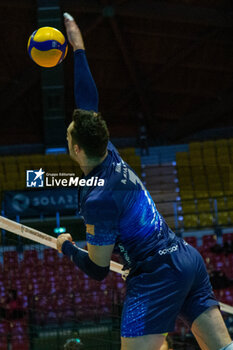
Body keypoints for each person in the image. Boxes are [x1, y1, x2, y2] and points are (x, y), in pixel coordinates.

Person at [57, 13, 233, 350]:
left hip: (155, 276)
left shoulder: (98, 200)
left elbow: (96, 268)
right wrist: (78, 49)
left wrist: (65, 246)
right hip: (185, 258)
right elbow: (87, 103)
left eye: (69, 135)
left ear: (76, 148)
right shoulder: (108, 151)